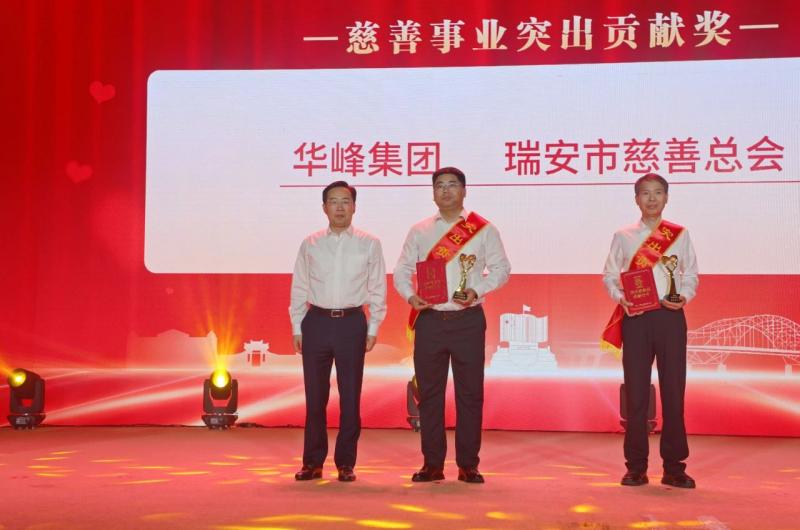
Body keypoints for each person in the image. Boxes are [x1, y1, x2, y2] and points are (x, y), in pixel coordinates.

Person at [394, 166, 510, 484]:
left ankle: (468, 464)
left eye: (452, 185)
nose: (446, 190)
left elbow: (501, 269)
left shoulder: (483, 230)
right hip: (430, 320)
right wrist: (410, 295)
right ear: (433, 193)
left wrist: (477, 290)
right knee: (430, 394)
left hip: (468, 320)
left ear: (464, 190)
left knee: (469, 394)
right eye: (440, 186)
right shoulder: (419, 231)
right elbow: (402, 270)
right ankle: (432, 464)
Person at [602, 173, 699, 489]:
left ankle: (674, 467)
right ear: (637, 199)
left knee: (673, 393)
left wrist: (684, 296)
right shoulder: (623, 236)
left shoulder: (679, 234)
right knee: (636, 395)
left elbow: (690, 274)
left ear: (666, 198)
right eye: (646, 193)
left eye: (658, 193)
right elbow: (610, 276)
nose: (652, 198)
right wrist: (622, 299)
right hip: (637, 318)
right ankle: (636, 467)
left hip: (671, 318)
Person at [289, 180, 387, 482]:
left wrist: (373, 326)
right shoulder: (311, 243)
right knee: (315, 396)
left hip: (351, 323)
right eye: (333, 201)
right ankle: (312, 462)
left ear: (354, 207)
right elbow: (300, 285)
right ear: (324, 208)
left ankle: (346, 463)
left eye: (346, 201)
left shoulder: (369, 243)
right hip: (316, 322)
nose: (340, 207)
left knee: (350, 396)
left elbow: (377, 287)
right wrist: (297, 326)